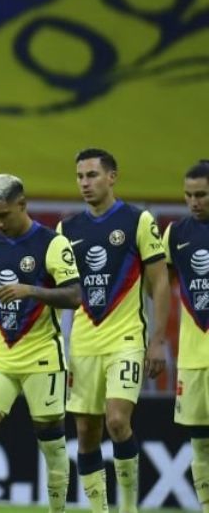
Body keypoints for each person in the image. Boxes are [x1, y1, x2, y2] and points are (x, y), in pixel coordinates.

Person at [0, 174, 81, 513]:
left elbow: (75, 296)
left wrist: (31, 291)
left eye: (3, 215)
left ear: (22, 204)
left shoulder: (52, 244)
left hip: (42, 355)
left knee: (51, 441)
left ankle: (57, 509)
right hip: (0, 353)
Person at [59, 149, 169, 513]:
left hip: (125, 339)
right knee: (86, 433)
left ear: (112, 177)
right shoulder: (67, 230)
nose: (84, 183)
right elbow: (59, 288)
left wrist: (157, 340)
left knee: (118, 422)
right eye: (80, 176)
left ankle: (127, 508)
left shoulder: (138, 221)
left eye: (92, 175)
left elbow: (160, 282)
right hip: (83, 343)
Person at [162, 160, 209, 513]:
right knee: (200, 444)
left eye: (202, 195)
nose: (194, 202)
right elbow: (158, 285)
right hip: (192, 357)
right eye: (189, 195)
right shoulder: (176, 234)